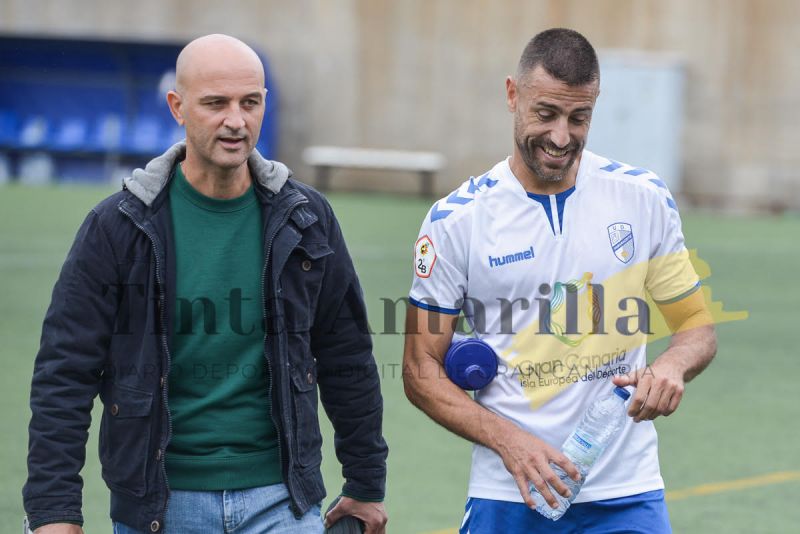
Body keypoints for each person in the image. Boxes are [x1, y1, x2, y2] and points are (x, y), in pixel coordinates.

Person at [23, 34, 388, 534]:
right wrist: (53, 512)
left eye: (250, 103)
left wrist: (365, 484)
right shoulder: (118, 225)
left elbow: (347, 356)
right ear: (177, 106)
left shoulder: (306, 219)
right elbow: (64, 374)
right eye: (216, 103)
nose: (236, 121)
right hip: (159, 505)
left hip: (283, 501)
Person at [403, 28, 717, 533]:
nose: (560, 137)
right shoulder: (456, 220)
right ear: (513, 94)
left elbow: (696, 326)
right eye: (545, 114)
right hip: (509, 493)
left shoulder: (643, 197)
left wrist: (673, 367)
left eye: (579, 117)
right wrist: (508, 440)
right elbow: (420, 372)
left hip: (625, 493)